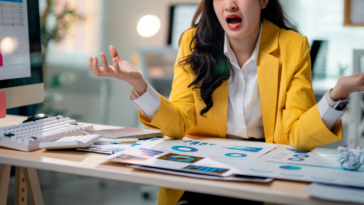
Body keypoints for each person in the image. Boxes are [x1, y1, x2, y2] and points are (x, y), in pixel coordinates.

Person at [89, 0, 364, 204]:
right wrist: (139, 84)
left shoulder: (293, 46)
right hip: (202, 177)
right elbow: (178, 126)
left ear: (263, 1)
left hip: (264, 178)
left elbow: (299, 137)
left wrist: (336, 95)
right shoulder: (193, 42)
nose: (230, 4)